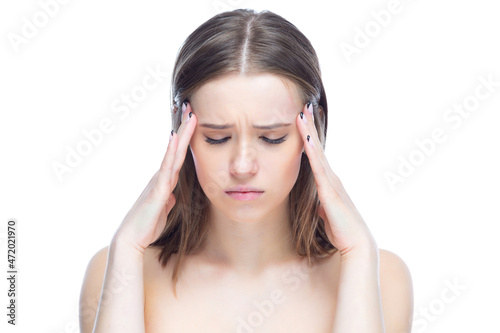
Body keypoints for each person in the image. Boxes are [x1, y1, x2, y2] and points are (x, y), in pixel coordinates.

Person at [79, 8, 413, 333]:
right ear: (183, 133)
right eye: (217, 138)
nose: (241, 166)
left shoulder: (380, 278)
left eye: (271, 138)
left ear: (311, 131)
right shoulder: (121, 268)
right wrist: (126, 247)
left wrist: (357, 252)